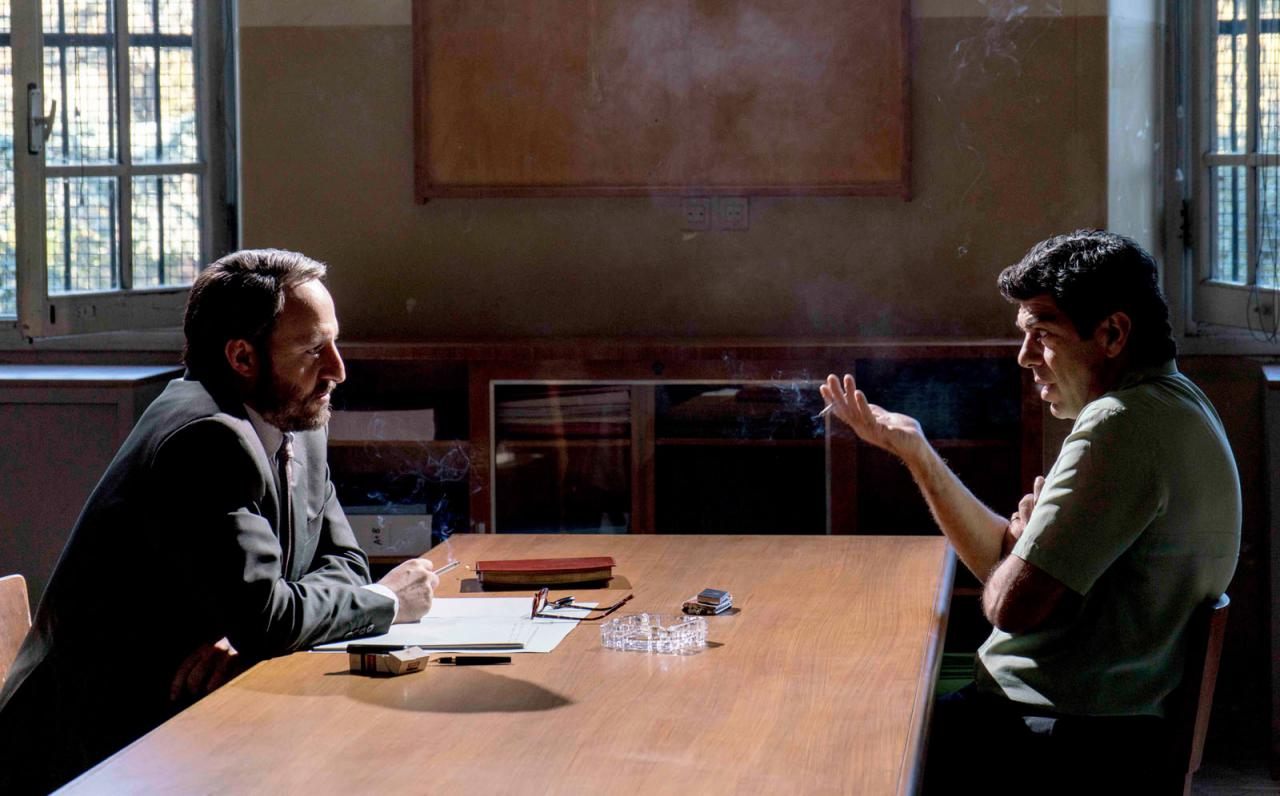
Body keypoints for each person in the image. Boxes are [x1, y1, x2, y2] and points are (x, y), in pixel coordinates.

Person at [0, 249, 439, 794]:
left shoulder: (296, 417)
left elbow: (343, 564)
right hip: (93, 748)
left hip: (186, 720)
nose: (337, 369)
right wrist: (385, 600)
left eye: (334, 343)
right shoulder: (205, 438)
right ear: (242, 356)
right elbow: (273, 616)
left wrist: (257, 630)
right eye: (312, 349)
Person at [821, 230, 1240, 792]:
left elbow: (1010, 605)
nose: (1025, 357)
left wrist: (1021, 551)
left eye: (1042, 334)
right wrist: (916, 451)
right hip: (1099, 726)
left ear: (1112, 333)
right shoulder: (1178, 401)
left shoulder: (1117, 424)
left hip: (1063, 740)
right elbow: (1008, 571)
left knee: (849, 735)